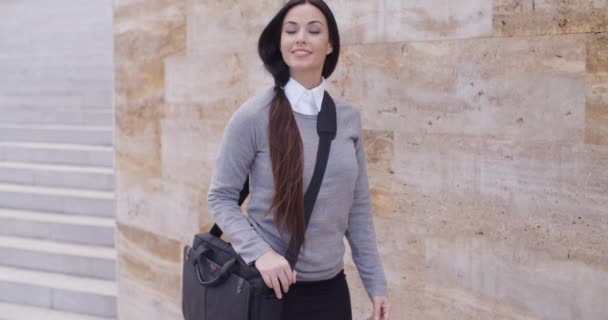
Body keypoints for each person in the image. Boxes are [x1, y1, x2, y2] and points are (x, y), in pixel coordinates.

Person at [207, 1, 390, 319]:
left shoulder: (347, 118)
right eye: (291, 30)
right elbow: (221, 198)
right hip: (270, 293)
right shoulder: (253, 115)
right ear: (280, 43)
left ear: (330, 44)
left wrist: (376, 285)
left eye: (314, 30)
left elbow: (357, 211)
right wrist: (260, 253)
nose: (301, 38)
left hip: (332, 293)